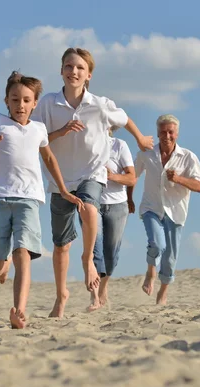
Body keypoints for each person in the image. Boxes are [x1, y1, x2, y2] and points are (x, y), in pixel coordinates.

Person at [32, 47, 154, 317]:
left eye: (79, 68)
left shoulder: (100, 104)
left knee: (89, 208)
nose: (73, 71)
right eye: (68, 66)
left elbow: (125, 119)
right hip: (59, 180)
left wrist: (141, 139)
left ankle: (88, 259)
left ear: (89, 75)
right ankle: (61, 295)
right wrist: (61, 131)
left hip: (92, 173)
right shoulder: (48, 104)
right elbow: (35, 138)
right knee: (61, 245)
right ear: (61, 70)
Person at [0, 71, 84, 328]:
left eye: (26, 100)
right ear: (6, 101)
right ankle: (2, 268)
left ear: (35, 103)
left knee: (23, 252)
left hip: (29, 199)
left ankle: (19, 311)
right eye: (15, 100)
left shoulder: (39, 129)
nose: (20, 105)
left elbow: (48, 158)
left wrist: (64, 189)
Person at [127, 114, 200, 305]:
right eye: (163, 132)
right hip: (151, 207)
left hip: (175, 211)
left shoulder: (188, 157)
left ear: (176, 134)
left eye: (171, 132)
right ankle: (150, 272)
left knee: (170, 257)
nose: (167, 136)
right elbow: (132, 176)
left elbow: (199, 186)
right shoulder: (146, 154)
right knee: (157, 244)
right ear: (157, 133)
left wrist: (178, 179)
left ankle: (163, 291)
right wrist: (129, 198)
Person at [86, 126, 136, 311]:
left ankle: (103, 288)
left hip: (117, 205)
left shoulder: (119, 146)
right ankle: (95, 298)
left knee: (111, 253)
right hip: (92, 204)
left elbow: (132, 178)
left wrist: (112, 176)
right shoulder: (85, 145)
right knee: (94, 250)